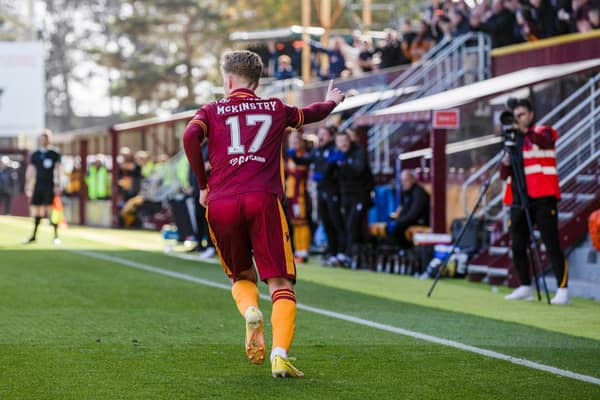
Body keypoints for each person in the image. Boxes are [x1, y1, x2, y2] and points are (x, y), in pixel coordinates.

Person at [182, 50, 344, 378]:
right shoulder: (274, 107)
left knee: (241, 276)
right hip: (262, 200)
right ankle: (280, 355)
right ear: (257, 81)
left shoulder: (211, 110)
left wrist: (202, 185)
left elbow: (189, 136)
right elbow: (311, 114)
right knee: (281, 282)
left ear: (228, 79)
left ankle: (250, 310)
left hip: (222, 202)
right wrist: (332, 101)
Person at [500, 98, 569, 305]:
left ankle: (563, 289)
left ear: (530, 115)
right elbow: (505, 174)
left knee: (551, 243)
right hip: (519, 199)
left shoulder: (544, 131)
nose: (518, 118)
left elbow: (546, 142)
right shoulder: (512, 139)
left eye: (522, 114)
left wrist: (523, 129)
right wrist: (504, 162)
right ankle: (524, 286)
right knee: (518, 244)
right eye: (516, 115)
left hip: (544, 197)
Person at [331, 130, 372, 268]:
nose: (342, 144)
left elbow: (358, 170)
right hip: (345, 195)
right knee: (346, 225)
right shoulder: (339, 155)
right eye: (340, 142)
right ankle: (350, 255)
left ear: (349, 140)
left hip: (360, 195)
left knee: (352, 224)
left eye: (344, 141)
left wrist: (344, 163)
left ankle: (349, 255)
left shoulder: (359, 152)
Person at [24, 130, 62, 244]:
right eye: (41, 138)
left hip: (49, 185)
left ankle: (56, 236)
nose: (43, 140)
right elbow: (31, 170)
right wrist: (28, 185)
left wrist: (57, 185)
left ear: (49, 140)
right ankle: (34, 236)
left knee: (51, 211)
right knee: (37, 211)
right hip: (38, 185)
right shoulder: (35, 154)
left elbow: (58, 170)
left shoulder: (54, 153)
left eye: (45, 138)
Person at [285, 130, 312, 263]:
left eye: (296, 141)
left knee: (302, 222)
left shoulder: (304, 156)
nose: (294, 144)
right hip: (290, 194)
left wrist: (287, 168)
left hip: (299, 195)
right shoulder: (290, 156)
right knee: (295, 223)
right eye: (292, 141)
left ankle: (304, 250)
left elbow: (299, 174)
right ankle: (298, 251)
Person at [387, 170, 431, 249]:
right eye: (402, 181)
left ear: (413, 180)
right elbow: (402, 209)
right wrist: (397, 219)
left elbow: (413, 214)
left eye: (406, 180)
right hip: (411, 220)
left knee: (397, 227)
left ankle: (406, 251)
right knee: (391, 225)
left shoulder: (419, 193)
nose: (403, 183)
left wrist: (399, 221)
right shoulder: (407, 192)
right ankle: (401, 251)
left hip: (421, 221)